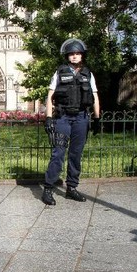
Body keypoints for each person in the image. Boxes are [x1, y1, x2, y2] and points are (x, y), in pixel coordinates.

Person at [41, 38, 100, 206]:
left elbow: (94, 96)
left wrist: (96, 118)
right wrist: (49, 118)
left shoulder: (88, 74)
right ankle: (48, 188)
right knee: (58, 153)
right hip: (62, 117)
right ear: (67, 56)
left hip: (81, 118)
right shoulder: (59, 72)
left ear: (82, 55)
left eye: (77, 53)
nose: (74, 56)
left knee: (76, 154)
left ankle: (72, 188)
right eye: (71, 54)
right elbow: (50, 95)